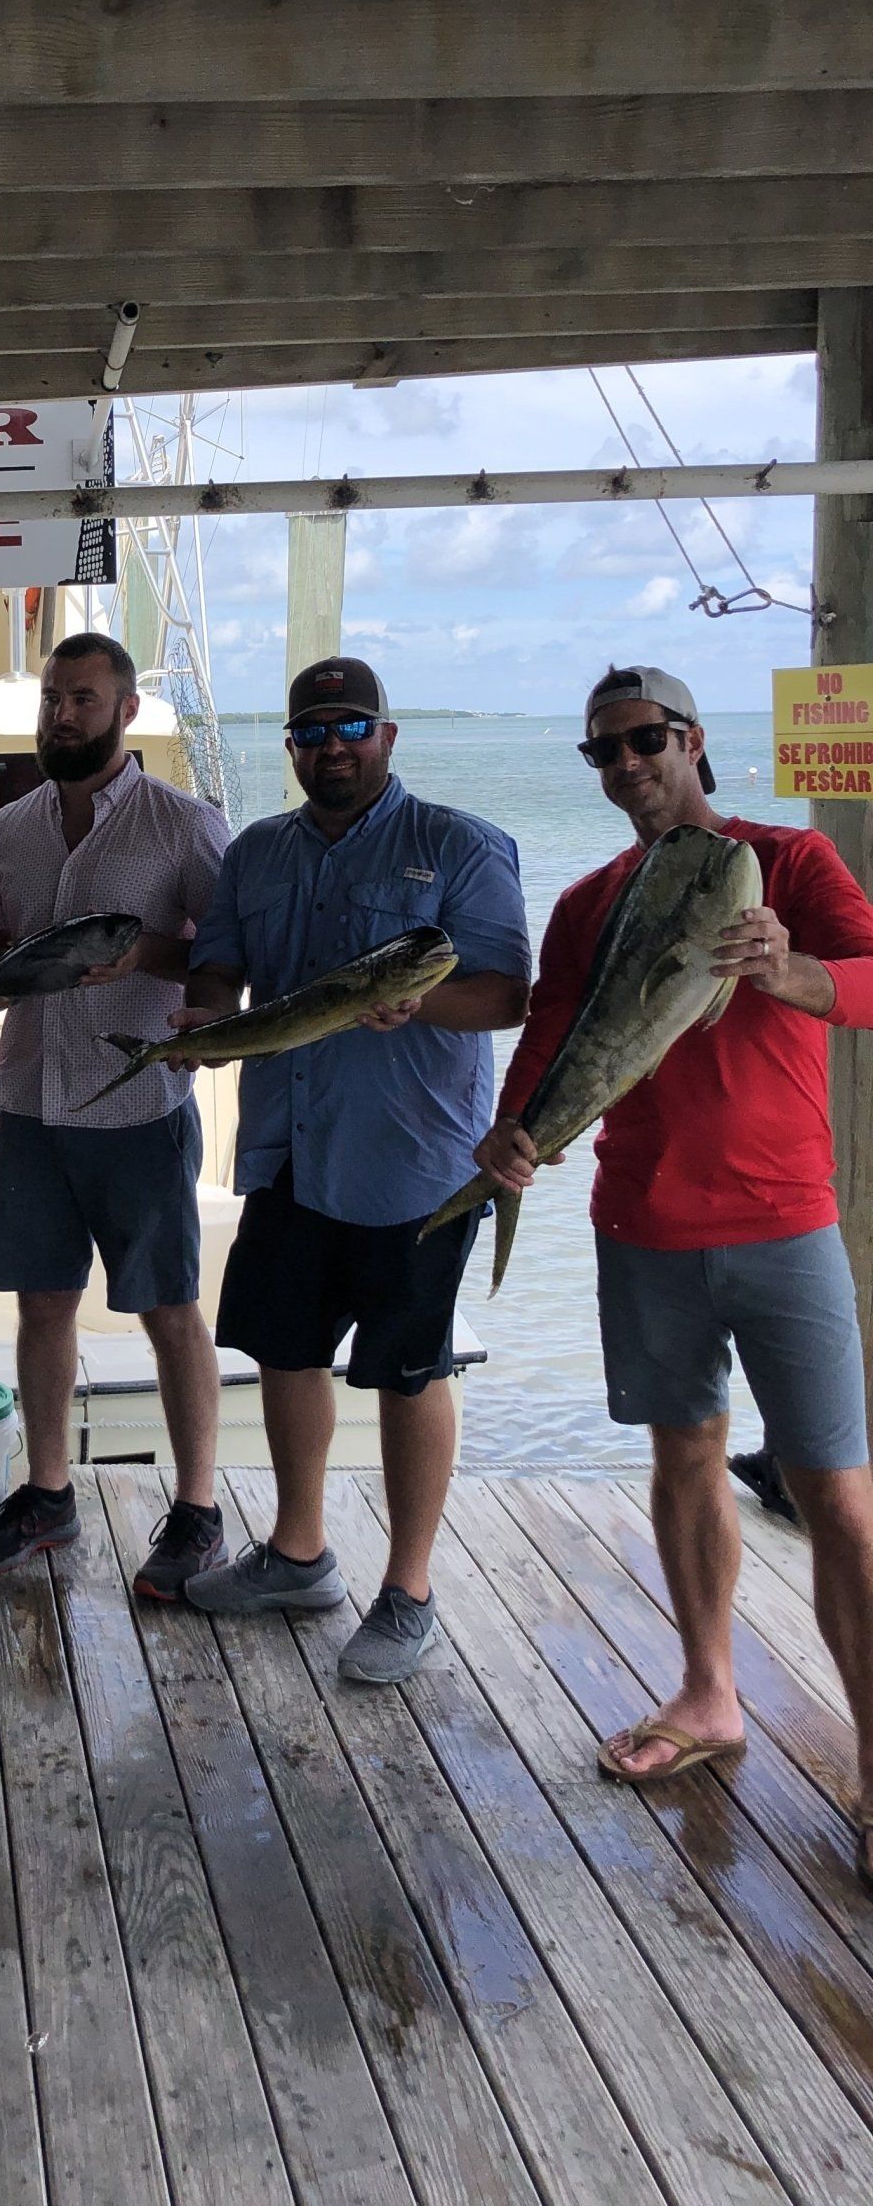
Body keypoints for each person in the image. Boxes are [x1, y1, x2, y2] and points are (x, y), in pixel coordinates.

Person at [471, 666, 873, 1864]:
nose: (626, 765)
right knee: (686, 1455)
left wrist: (789, 970)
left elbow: (866, 977)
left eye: (644, 740)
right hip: (639, 1221)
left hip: (785, 1224)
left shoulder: (787, 865)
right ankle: (709, 1691)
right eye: (602, 752)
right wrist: (509, 1131)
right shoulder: (592, 899)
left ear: (692, 741)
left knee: (838, 1496)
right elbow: (555, 1032)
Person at [180, 656, 530, 1679]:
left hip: (415, 1161)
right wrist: (201, 1012)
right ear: (291, 747)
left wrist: (423, 1002)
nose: (331, 747)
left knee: (407, 1372)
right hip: (289, 1147)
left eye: (349, 727)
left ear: (387, 735)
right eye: (310, 732)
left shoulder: (459, 845)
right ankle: (299, 1553)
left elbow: (507, 993)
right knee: (284, 1350)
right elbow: (222, 966)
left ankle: (408, 1587)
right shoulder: (254, 853)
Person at [0, 633, 232, 1595]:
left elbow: (225, 967)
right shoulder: (12, 827)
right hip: (31, 1096)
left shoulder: (184, 825)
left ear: (125, 710)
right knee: (41, 1304)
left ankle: (199, 1511)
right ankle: (48, 1492)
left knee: (167, 1310)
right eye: (51, 697)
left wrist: (148, 955)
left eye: (82, 698)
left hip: (137, 1104)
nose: (61, 715)